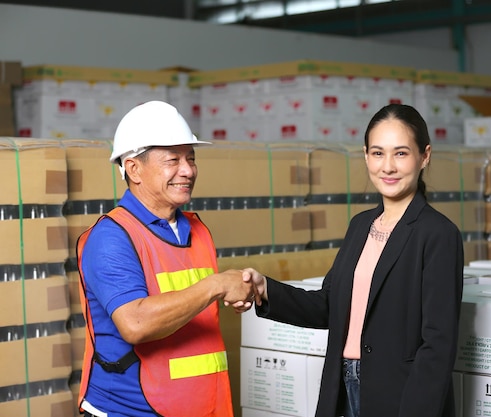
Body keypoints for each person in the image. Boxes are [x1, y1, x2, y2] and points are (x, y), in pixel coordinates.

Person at [245, 103, 464, 417]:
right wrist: (265, 288)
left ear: (424, 156)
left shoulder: (438, 234)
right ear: (365, 156)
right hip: (342, 387)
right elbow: (329, 306)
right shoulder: (360, 226)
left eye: (400, 153)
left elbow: (438, 346)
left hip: (398, 396)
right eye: (377, 153)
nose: (387, 166)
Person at [76, 101, 255, 417]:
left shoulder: (196, 229)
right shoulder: (111, 237)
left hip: (200, 406)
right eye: (173, 160)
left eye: (191, 159)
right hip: (130, 410)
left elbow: (192, 309)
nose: (187, 170)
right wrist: (215, 285)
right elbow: (135, 323)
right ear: (134, 169)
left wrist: (233, 290)